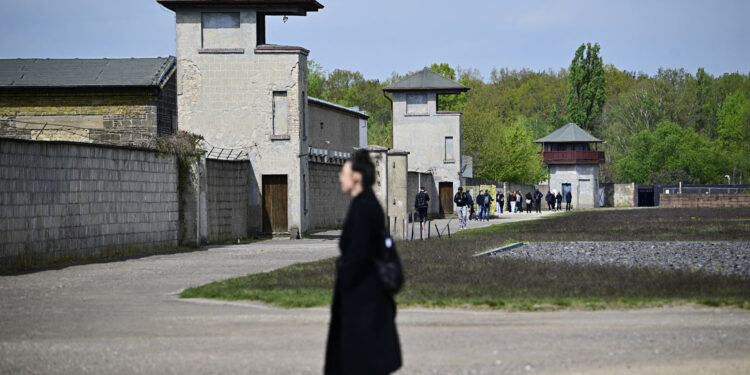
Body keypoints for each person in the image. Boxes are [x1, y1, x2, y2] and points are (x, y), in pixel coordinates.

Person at [326, 149, 402, 375]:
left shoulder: (363, 208)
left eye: (344, 173)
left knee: (359, 362)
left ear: (356, 177)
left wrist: (346, 279)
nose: (341, 177)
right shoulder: (367, 204)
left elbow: (359, 254)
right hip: (365, 296)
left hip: (362, 299)